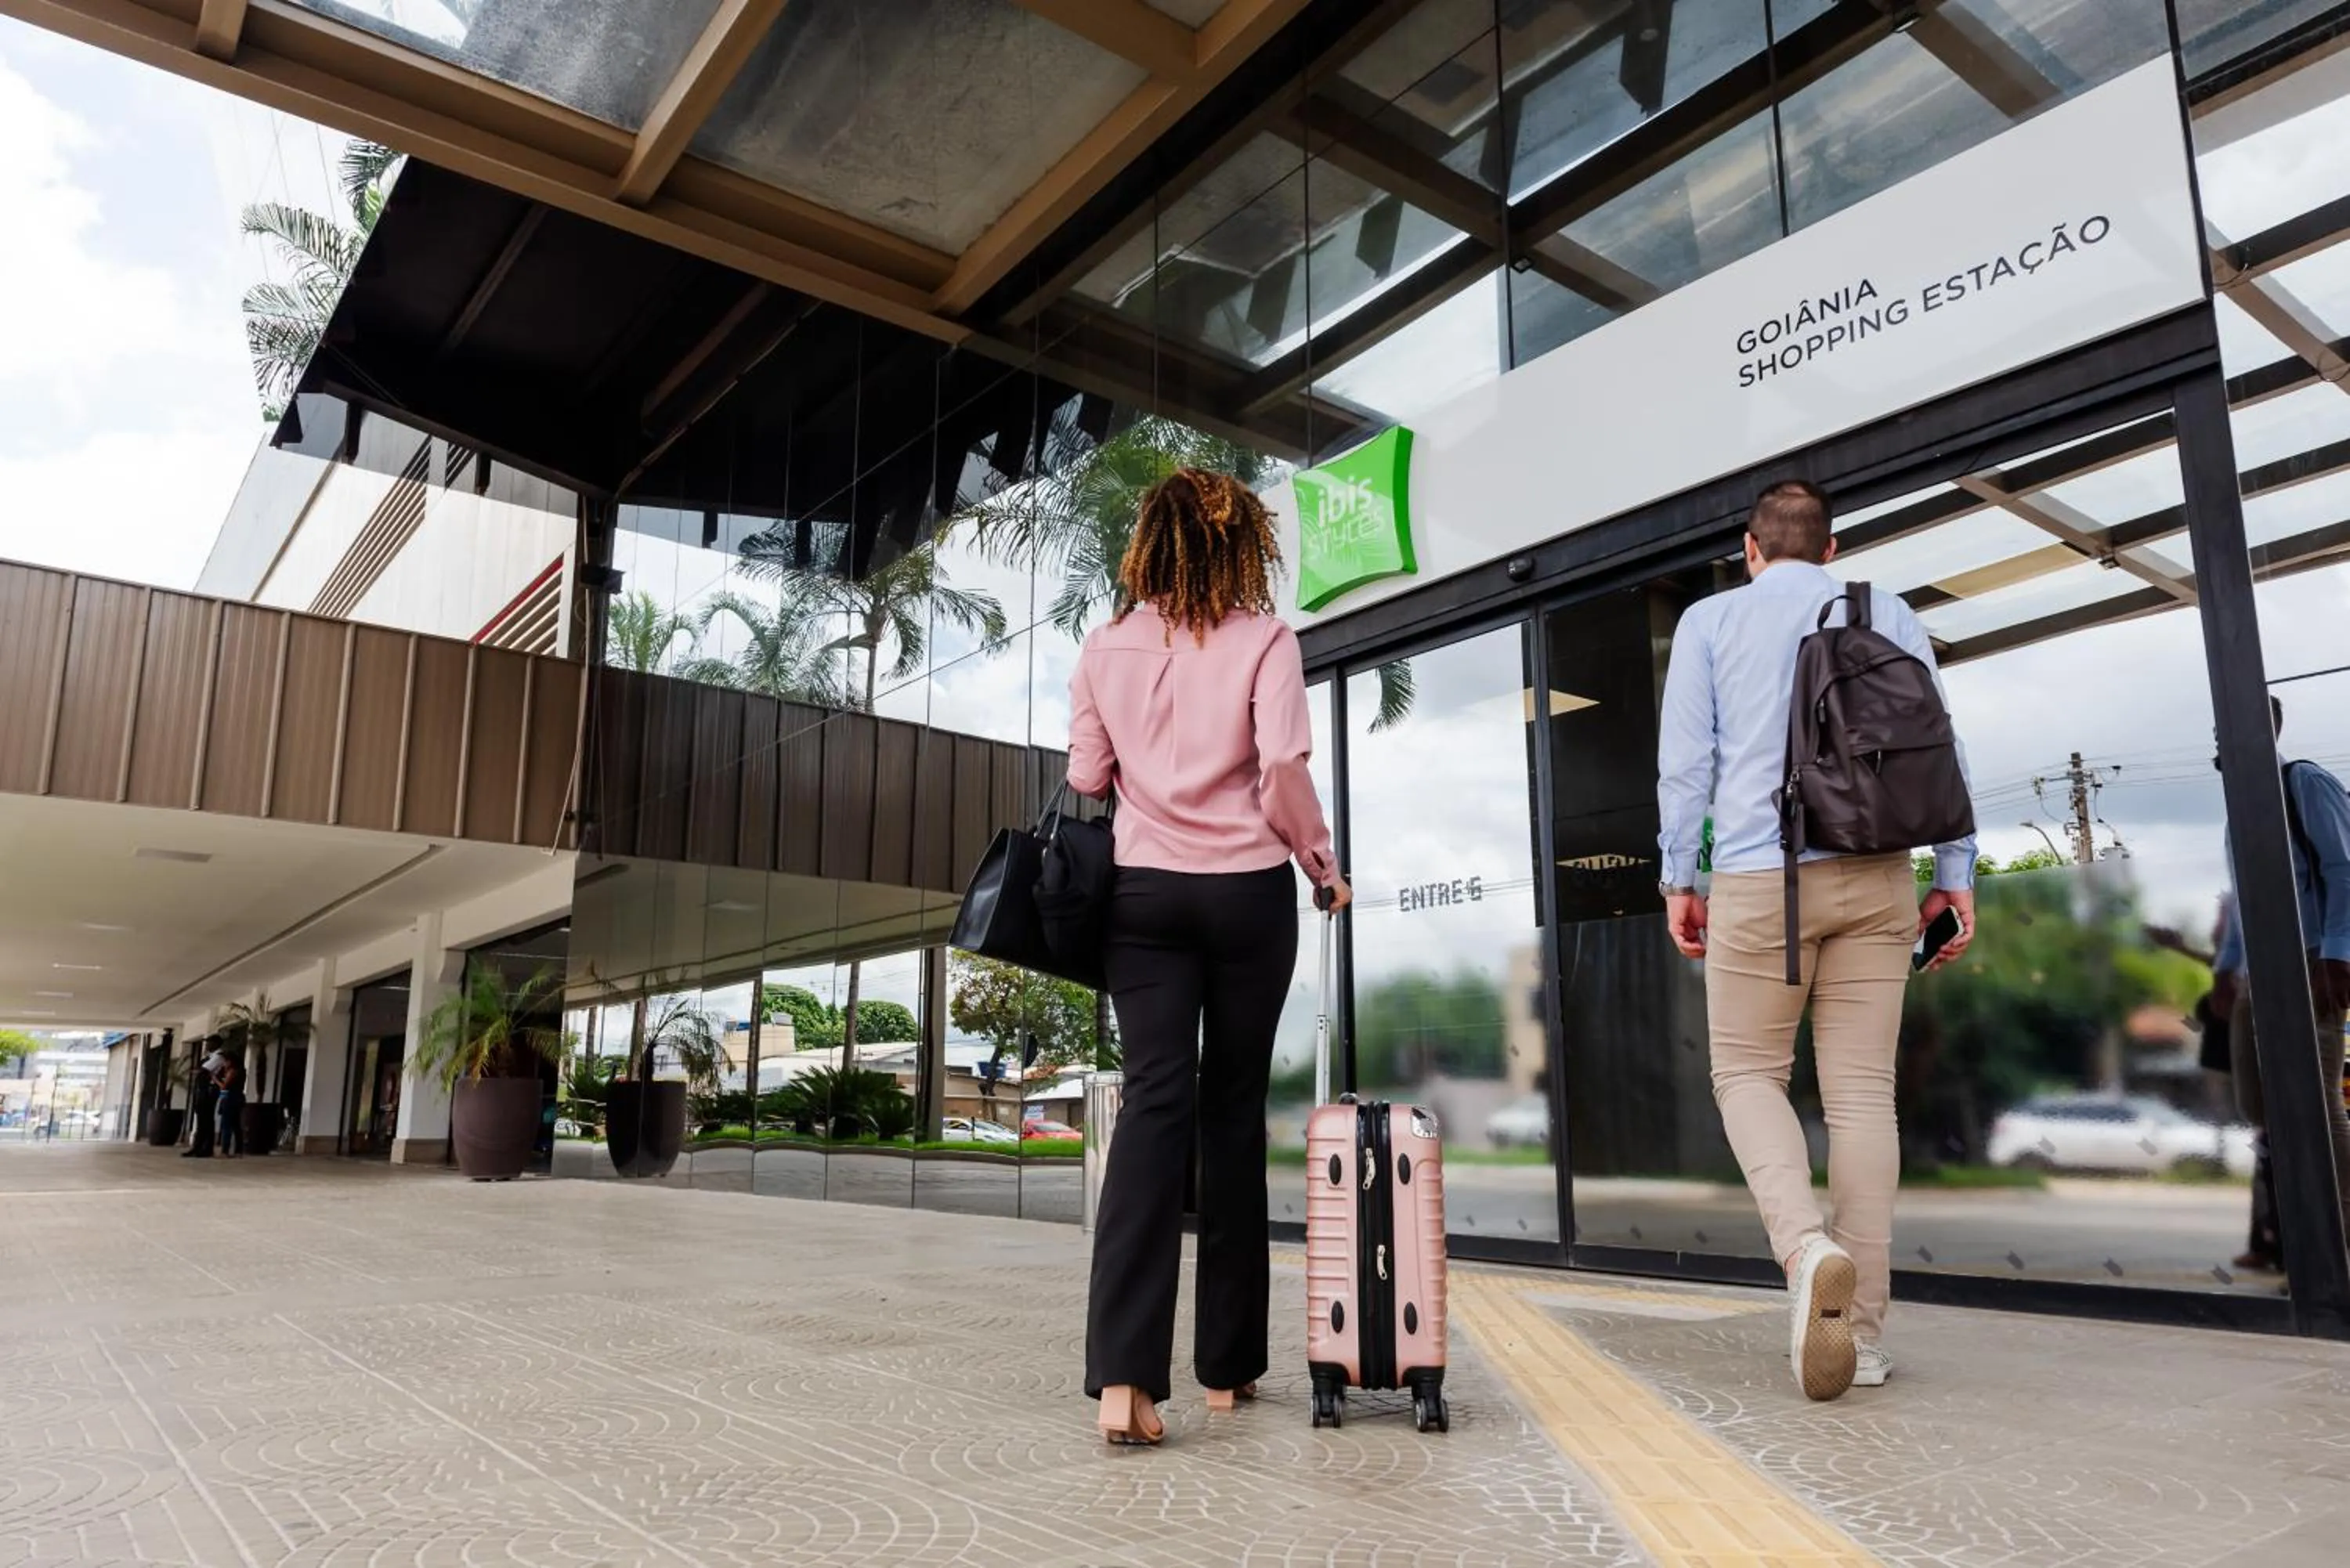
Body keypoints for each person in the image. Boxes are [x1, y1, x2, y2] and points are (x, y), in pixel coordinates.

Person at [1655, 479, 1976, 1402]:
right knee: (1864, 1098)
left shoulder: (1711, 621)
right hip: (1879, 872)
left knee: (1747, 1074)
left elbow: (1687, 764)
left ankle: (1805, 1252)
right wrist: (1955, 871)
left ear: (1749, 548)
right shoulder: (1888, 611)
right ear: (1831, 549)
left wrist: (1681, 879)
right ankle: (1861, 1338)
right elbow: (1942, 743)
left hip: (1761, 879)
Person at [1066, 466, 1350, 1447]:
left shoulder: (1102, 646)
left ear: (1151, 546)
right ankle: (1226, 1369)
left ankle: (1123, 1381)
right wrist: (1322, 864)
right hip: (1246, 897)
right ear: (1238, 549)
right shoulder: (1267, 639)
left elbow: (1087, 775)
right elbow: (1282, 769)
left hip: (1142, 898)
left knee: (1153, 1107)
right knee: (1231, 1111)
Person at [2210, 696, 2350, 1258]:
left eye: (2233, 726)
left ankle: (2338, 1242)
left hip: (2312, 961)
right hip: (2257, 973)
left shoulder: (2304, 784)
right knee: (2261, 1107)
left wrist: (2336, 952)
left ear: (2270, 728)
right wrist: (2226, 969)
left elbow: (2344, 870)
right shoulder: (2239, 815)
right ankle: (2302, 1230)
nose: (2221, 741)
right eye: (2218, 731)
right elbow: (2244, 900)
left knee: (2317, 1103)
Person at [183, 1050, 222, 1158]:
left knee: (206, 1120)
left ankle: (206, 1149)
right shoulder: (210, 1056)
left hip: (209, 1092)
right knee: (201, 1120)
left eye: (210, 1043)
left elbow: (203, 1070)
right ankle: (197, 1147)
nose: (207, 1045)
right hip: (203, 1091)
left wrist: (197, 1071)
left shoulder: (218, 1057)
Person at [213, 1050, 247, 1159]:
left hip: (231, 1098)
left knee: (227, 1125)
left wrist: (215, 1079)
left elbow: (224, 1086)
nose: (224, 1064)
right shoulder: (241, 1071)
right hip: (238, 1098)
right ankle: (238, 1151)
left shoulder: (233, 1071)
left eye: (225, 1061)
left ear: (231, 1062)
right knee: (236, 1125)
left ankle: (225, 1151)